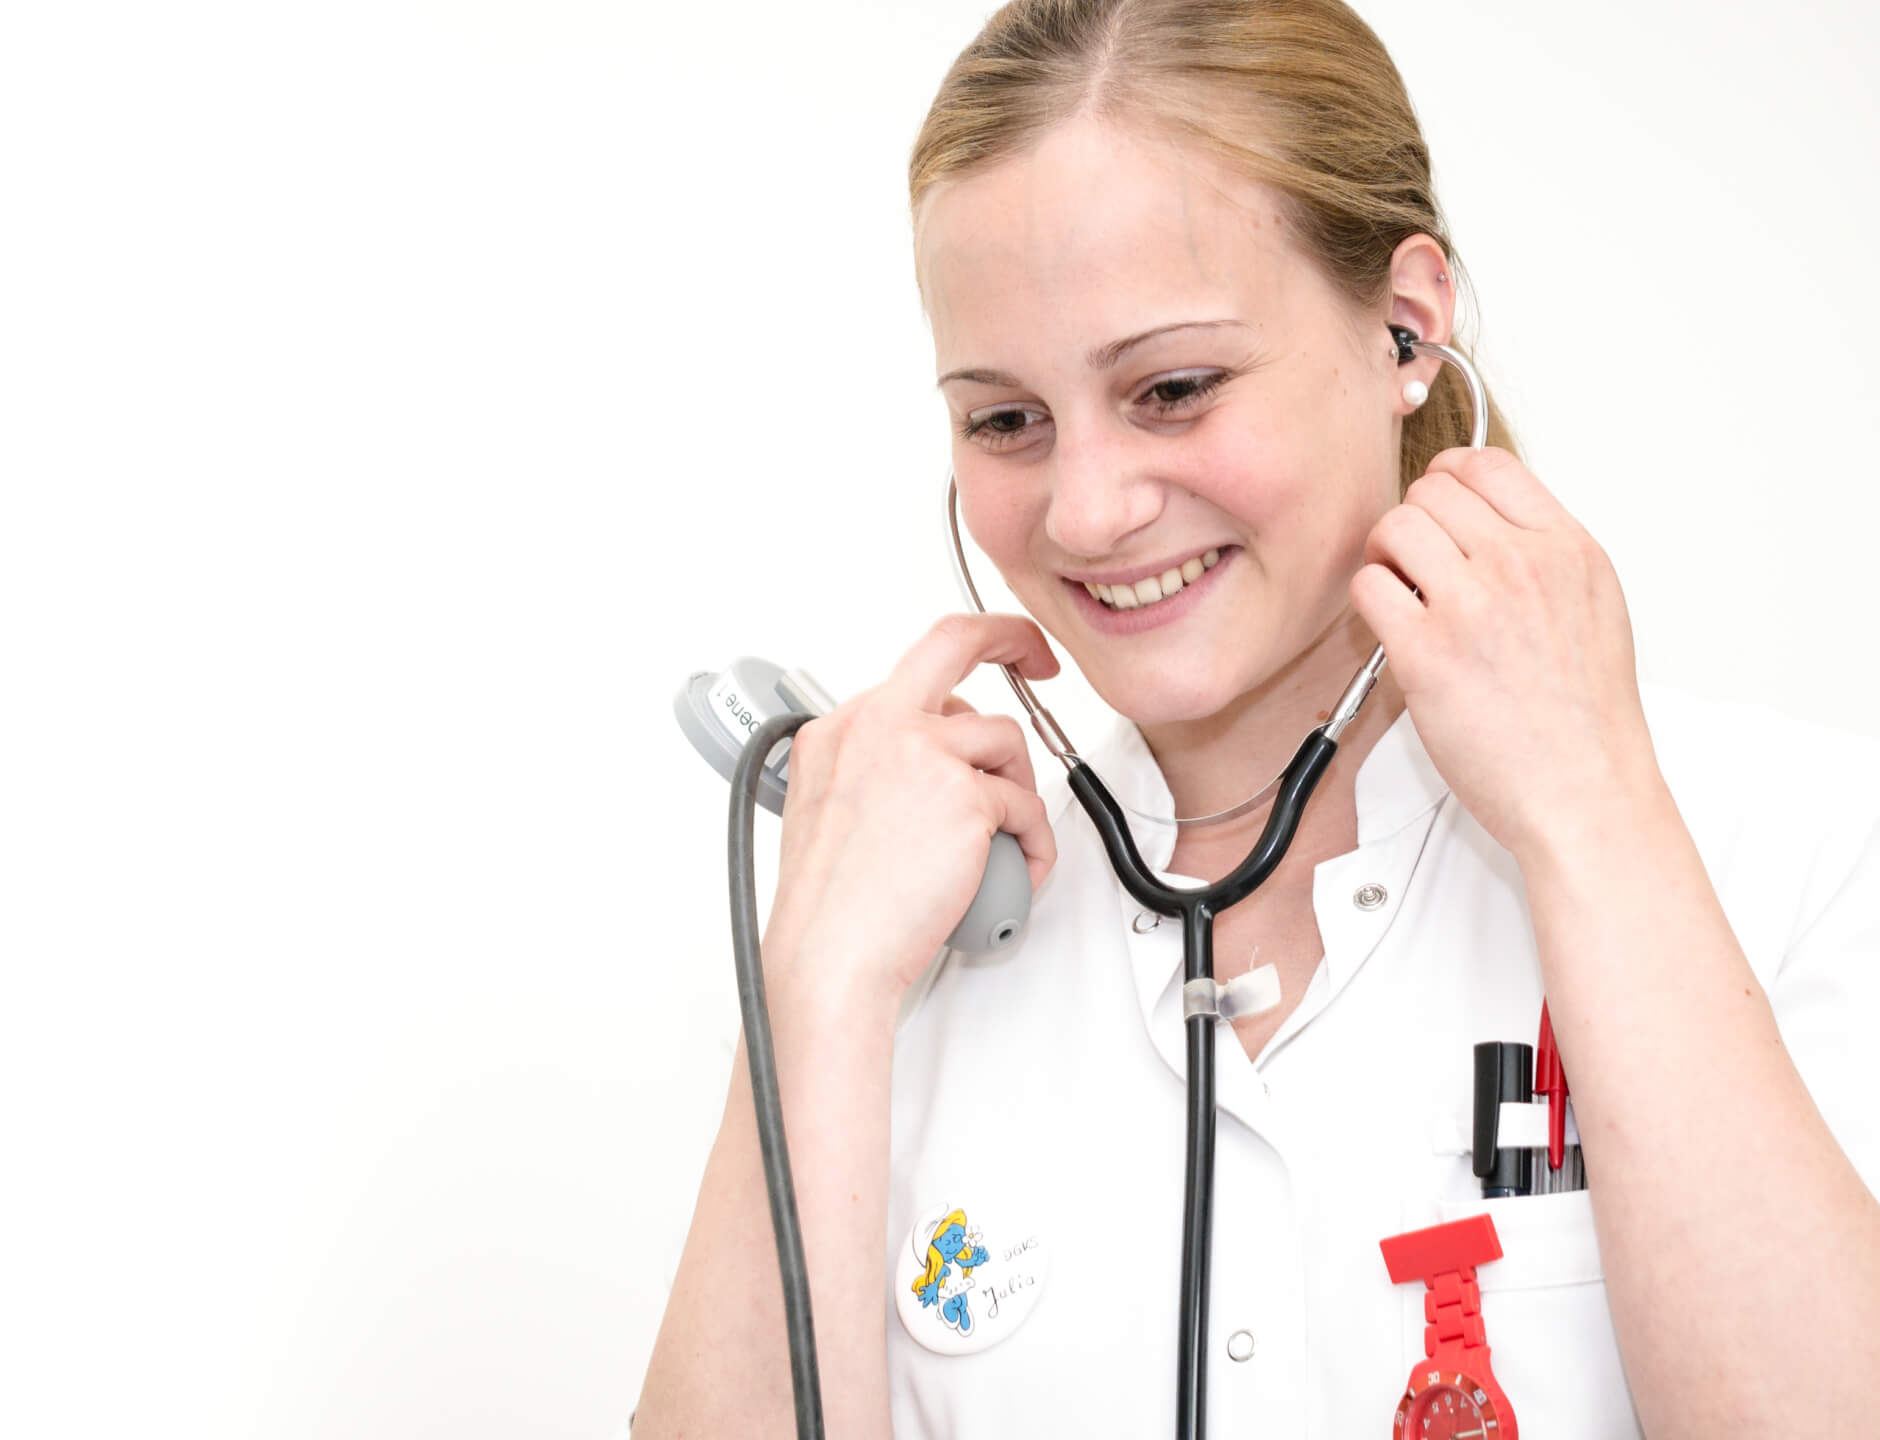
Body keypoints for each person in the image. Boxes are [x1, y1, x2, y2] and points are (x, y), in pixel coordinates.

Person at [632, 1, 1880, 1436]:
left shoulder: (1791, 849)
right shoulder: (910, 947)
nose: (1087, 510)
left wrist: (1592, 819)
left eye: (1173, 389)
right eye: (1005, 421)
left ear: (1407, 328)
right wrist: (813, 987)